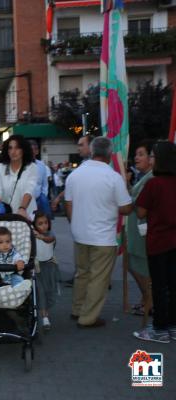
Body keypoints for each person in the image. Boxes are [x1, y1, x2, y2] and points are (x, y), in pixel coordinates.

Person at [65, 136, 132, 328]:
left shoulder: (75, 175)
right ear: (109, 154)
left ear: (92, 151)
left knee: (82, 274)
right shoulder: (113, 177)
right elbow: (126, 208)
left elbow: (68, 204)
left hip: (80, 233)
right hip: (103, 236)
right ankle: (88, 317)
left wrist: (75, 223)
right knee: (98, 279)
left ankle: (77, 309)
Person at [133, 141, 176, 343]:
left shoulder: (154, 184)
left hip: (158, 241)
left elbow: (140, 211)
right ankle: (173, 326)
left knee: (159, 286)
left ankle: (159, 328)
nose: (150, 159)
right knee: (174, 285)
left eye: (152, 156)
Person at [126, 140, 155, 317]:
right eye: (136, 154)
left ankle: (149, 301)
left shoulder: (151, 178)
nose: (137, 158)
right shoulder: (143, 177)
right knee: (133, 264)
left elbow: (138, 204)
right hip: (136, 229)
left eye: (141, 154)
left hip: (142, 230)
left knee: (141, 267)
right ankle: (146, 298)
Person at [0, 135, 38, 219]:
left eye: (17, 148)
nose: (13, 151)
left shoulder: (31, 167)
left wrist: (22, 208)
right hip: (6, 216)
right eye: (10, 148)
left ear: (23, 150)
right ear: (7, 151)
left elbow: (29, 190)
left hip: (26, 215)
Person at [32, 211, 59, 330]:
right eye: (40, 224)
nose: (44, 226)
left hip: (49, 267)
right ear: (34, 226)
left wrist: (41, 236)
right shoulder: (31, 237)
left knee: (50, 292)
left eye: (46, 223)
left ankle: (45, 310)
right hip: (37, 268)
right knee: (40, 291)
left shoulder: (50, 234)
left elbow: (49, 239)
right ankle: (44, 317)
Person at [51, 135, 92, 211]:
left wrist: (58, 198)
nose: (78, 149)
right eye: (78, 145)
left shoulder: (94, 165)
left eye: (81, 145)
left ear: (91, 146)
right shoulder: (84, 164)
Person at [30, 140, 52, 219]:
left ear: (37, 151)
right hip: (26, 200)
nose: (31, 152)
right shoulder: (21, 164)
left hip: (39, 198)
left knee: (43, 219)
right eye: (29, 150)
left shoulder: (41, 165)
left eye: (34, 150)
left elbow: (44, 183)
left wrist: (43, 195)